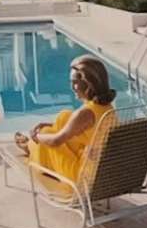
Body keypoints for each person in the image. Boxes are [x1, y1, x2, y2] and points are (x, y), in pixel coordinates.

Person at [17, 56, 118, 194]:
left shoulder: (86, 113)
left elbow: (56, 141)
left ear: (89, 84)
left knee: (47, 134)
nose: (72, 87)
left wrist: (36, 136)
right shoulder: (106, 107)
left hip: (83, 176)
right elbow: (86, 128)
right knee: (65, 116)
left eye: (75, 82)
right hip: (101, 169)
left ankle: (31, 147)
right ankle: (32, 146)